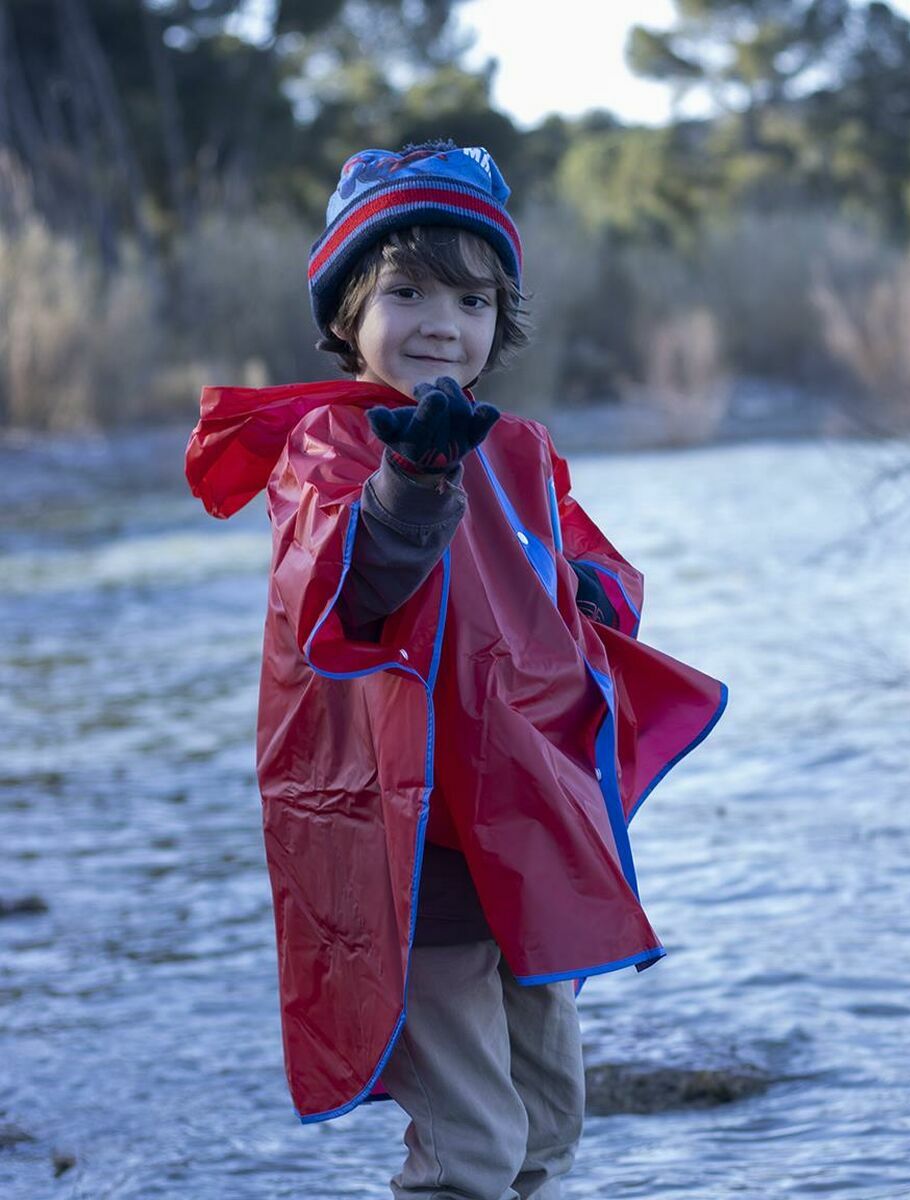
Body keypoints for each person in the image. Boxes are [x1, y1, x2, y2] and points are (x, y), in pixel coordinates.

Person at [185, 140, 727, 1200]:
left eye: (474, 301)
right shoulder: (334, 448)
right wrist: (412, 479)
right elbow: (345, 589)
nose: (443, 322)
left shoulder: (517, 449)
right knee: (470, 1143)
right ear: (348, 311)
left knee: (547, 1121)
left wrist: (589, 594)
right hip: (412, 844)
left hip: (522, 828)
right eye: (409, 292)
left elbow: (595, 567)